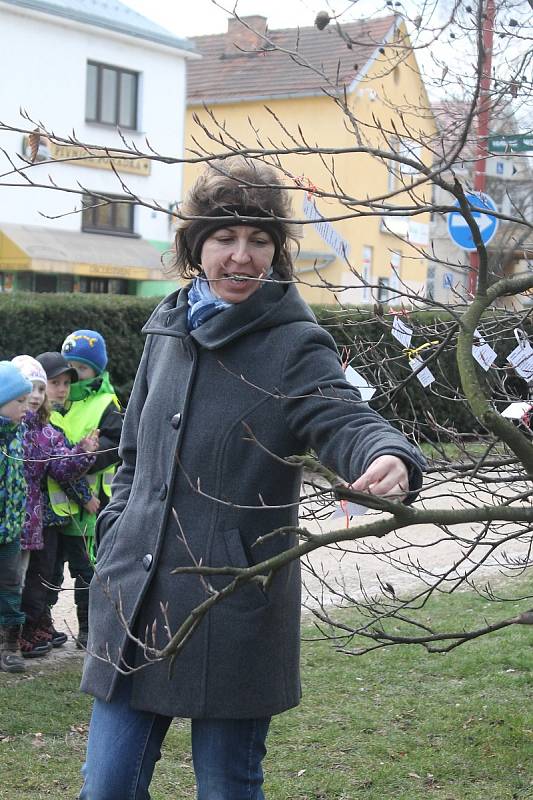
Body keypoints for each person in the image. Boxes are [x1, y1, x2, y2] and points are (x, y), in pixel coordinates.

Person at [79, 157, 426, 800]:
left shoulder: (293, 342)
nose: (242, 256)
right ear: (195, 247)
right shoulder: (167, 328)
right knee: (106, 788)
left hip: (232, 601)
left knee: (226, 790)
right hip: (137, 596)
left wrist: (389, 454)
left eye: (259, 240)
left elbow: (342, 412)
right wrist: (116, 527)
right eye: (225, 238)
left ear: (277, 251)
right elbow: (133, 455)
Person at [11, 355, 98, 658]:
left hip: (35, 522)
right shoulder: (8, 429)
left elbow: (61, 467)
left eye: (38, 390)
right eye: (27, 391)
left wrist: (83, 453)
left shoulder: (46, 432)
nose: (34, 397)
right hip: (8, 520)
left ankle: (26, 630)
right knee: (11, 579)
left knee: (35, 578)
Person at [49, 331, 122, 648]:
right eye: (70, 367)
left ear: (97, 370)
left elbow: (117, 443)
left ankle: (89, 631)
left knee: (86, 573)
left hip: (92, 508)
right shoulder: (53, 399)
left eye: (82, 368)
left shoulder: (105, 402)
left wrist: (82, 459)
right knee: (48, 573)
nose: (73, 375)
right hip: (54, 509)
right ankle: (41, 625)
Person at [0, 361, 31, 673]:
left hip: (9, 531)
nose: (27, 406)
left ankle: (10, 645)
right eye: (19, 401)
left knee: (11, 586)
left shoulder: (20, 434)